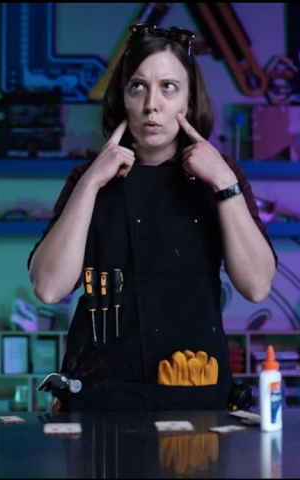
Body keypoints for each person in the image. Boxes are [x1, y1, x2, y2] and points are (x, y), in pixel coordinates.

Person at [28, 23, 277, 412]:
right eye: (138, 86)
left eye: (169, 87)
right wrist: (92, 181)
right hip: (100, 398)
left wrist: (225, 182)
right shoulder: (86, 180)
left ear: (189, 103)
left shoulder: (221, 177)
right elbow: (48, 287)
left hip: (195, 391)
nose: (151, 105)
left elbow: (257, 285)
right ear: (121, 99)